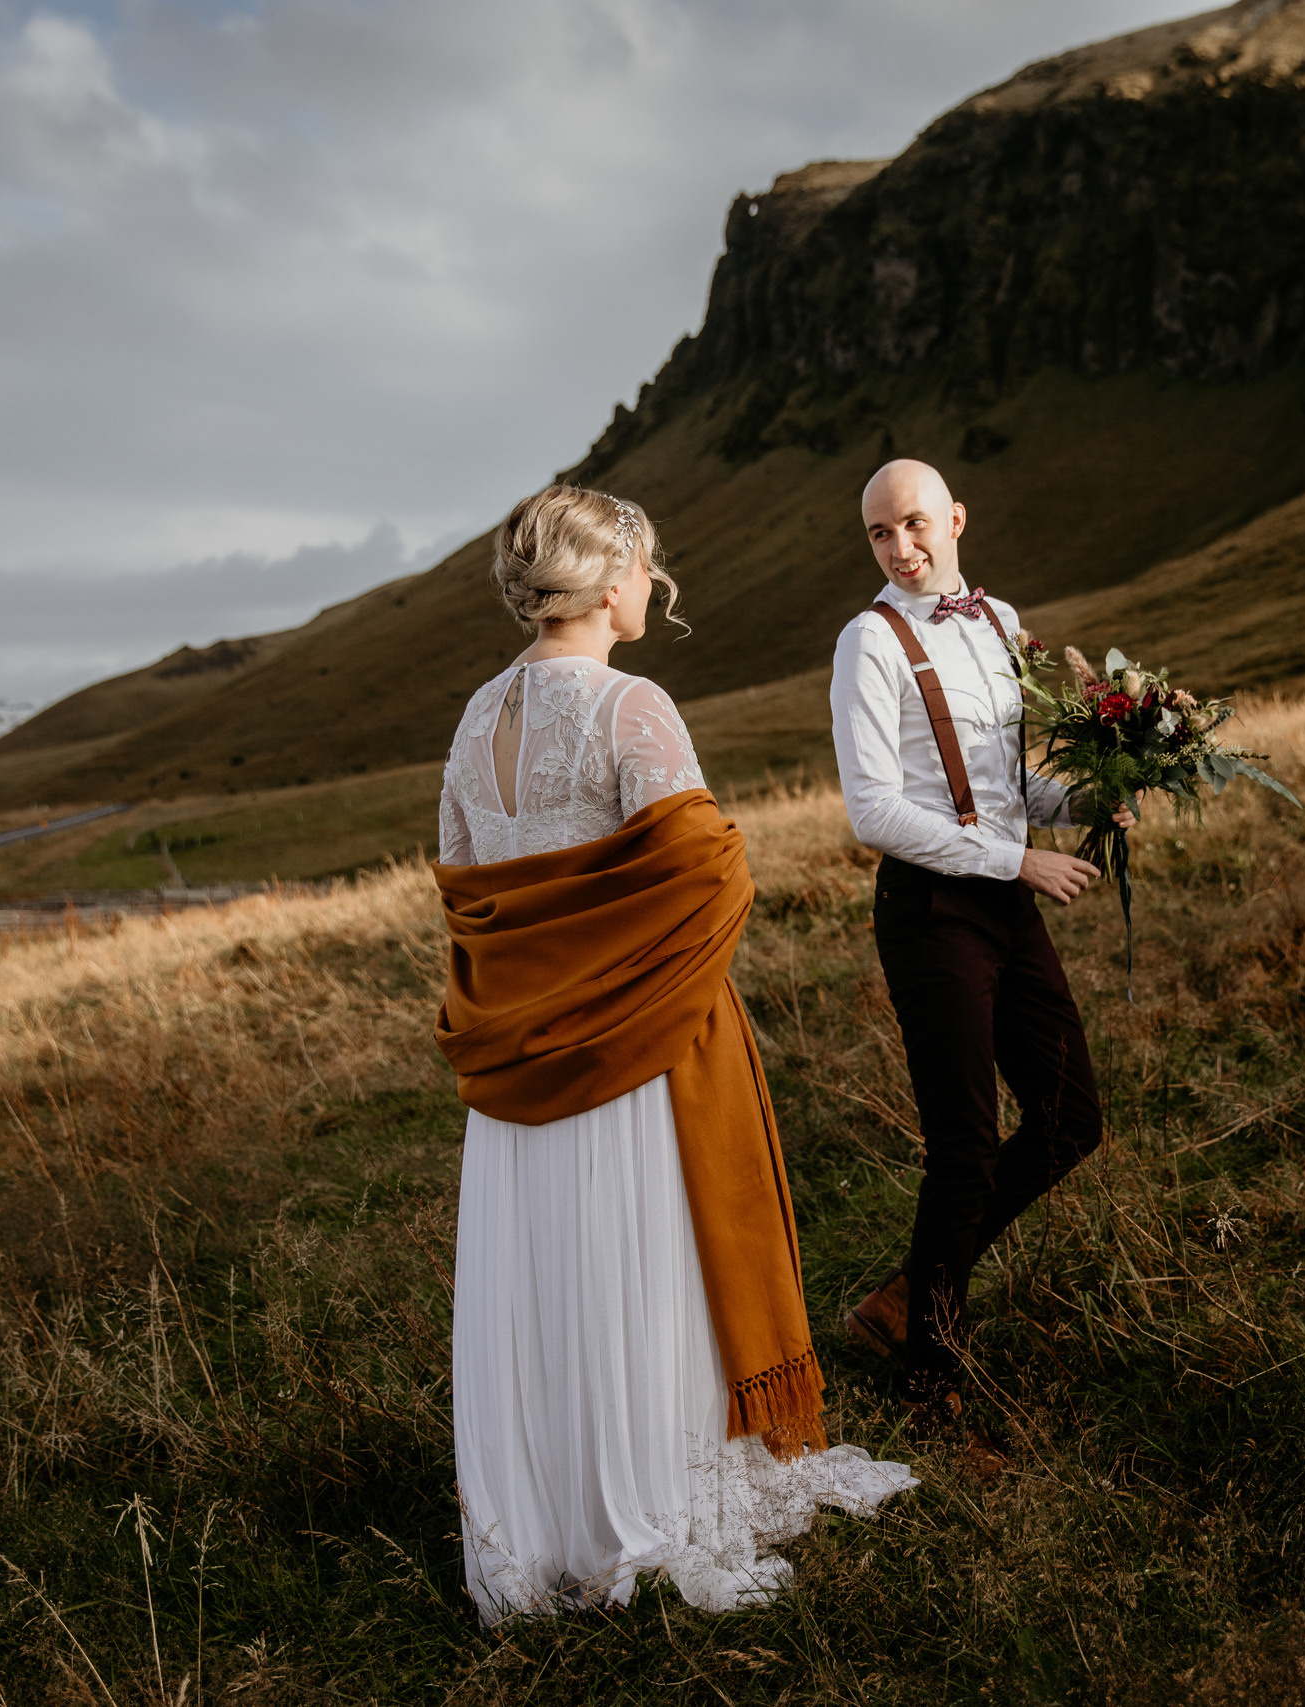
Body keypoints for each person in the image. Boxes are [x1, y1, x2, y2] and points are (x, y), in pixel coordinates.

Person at [435, 485, 915, 1626]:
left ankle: (541, 1524)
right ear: (612, 583)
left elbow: (468, 887)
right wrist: (639, 982)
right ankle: (644, 1510)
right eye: (647, 570)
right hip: (630, 1054)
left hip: (513, 1067)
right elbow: (707, 876)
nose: (654, 588)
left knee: (546, 1279)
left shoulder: (472, 719)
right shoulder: (628, 706)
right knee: (635, 1268)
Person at [826, 458, 1132, 1463]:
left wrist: (1087, 800)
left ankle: (909, 1294)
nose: (902, 547)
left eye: (916, 524)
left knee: (1070, 1118)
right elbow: (873, 809)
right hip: (929, 910)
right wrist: (1015, 861)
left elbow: (1005, 786)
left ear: (955, 518)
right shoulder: (868, 643)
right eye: (880, 534)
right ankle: (931, 1388)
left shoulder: (1000, 621)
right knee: (965, 1146)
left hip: (1004, 892)